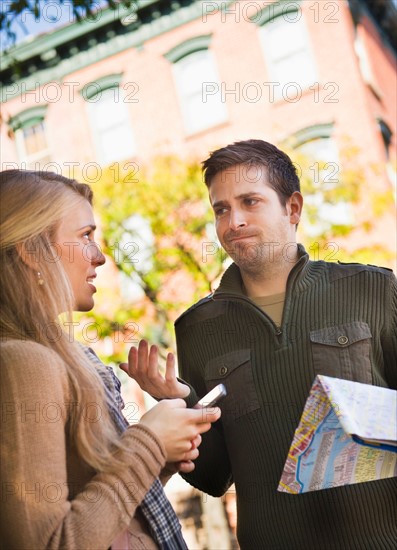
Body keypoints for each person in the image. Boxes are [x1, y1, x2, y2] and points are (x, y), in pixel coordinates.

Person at [125, 140, 397, 549]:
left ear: (292, 209)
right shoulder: (198, 327)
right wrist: (179, 400)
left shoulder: (373, 290)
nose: (233, 221)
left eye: (250, 201)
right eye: (221, 209)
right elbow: (214, 476)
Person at [0, 169, 221, 549]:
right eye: (85, 236)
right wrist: (148, 442)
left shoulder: (60, 356)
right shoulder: (23, 362)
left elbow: (100, 515)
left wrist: (158, 460)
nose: (100, 257)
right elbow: (50, 542)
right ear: (32, 251)